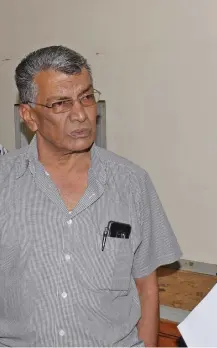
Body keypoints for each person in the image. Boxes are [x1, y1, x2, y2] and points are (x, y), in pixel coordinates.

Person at [0, 46, 182, 347]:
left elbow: (146, 287)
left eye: (86, 97)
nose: (80, 114)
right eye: (60, 103)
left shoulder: (131, 183)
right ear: (29, 115)